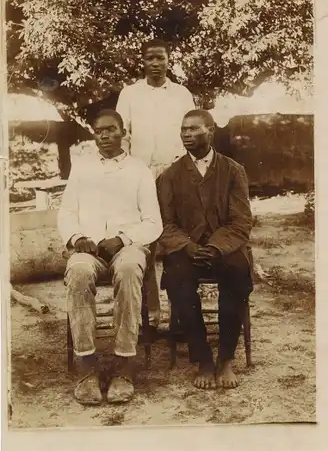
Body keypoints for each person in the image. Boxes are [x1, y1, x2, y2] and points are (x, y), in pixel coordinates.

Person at [58, 109, 163, 405]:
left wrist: (123, 239)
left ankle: (125, 364)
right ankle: (86, 365)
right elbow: (66, 212)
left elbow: (153, 222)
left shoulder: (139, 169)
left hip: (127, 246)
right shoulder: (82, 168)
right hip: (88, 249)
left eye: (110, 130)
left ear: (123, 132)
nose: (104, 136)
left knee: (130, 269)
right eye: (98, 131)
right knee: (78, 273)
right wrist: (78, 238)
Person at [157, 109, 253, 390]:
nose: (186, 134)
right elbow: (165, 222)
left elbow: (241, 221)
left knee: (236, 272)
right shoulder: (170, 176)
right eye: (183, 129)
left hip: (223, 248)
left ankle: (225, 358)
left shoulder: (233, 170)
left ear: (211, 131)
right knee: (178, 281)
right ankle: (203, 359)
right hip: (186, 249)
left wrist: (215, 247)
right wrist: (187, 246)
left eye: (194, 129)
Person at [116, 39, 195, 328]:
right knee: (143, 242)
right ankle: (149, 314)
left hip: (175, 173)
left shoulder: (182, 94)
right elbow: (123, 135)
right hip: (140, 173)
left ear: (168, 60)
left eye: (161, 58)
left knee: (175, 240)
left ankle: (180, 315)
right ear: (143, 61)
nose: (156, 63)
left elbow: (190, 132)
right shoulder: (130, 94)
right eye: (150, 58)